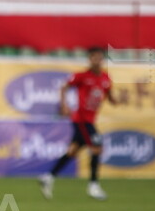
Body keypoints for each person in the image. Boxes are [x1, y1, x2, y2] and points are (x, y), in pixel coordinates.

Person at [38, 46, 116, 201]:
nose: (97, 60)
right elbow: (64, 87)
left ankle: (48, 177)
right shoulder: (81, 76)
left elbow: (109, 94)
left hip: (89, 120)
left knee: (72, 151)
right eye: (94, 57)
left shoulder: (105, 78)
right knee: (97, 148)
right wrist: (64, 105)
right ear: (89, 59)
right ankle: (93, 185)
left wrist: (115, 100)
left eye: (100, 57)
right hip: (81, 120)